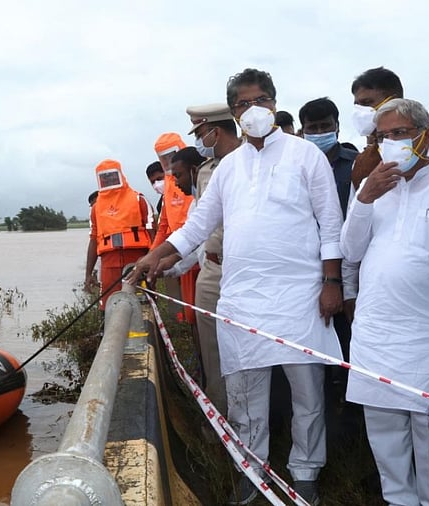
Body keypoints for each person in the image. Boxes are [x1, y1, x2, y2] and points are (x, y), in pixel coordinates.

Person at [129, 68, 343, 505]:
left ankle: (305, 474)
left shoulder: (306, 156)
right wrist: (155, 255)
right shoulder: (228, 170)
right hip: (242, 301)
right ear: (234, 112)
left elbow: (331, 225)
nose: (253, 109)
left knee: (308, 396)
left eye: (261, 99)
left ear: (274, 102)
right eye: (243, 103)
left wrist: (331, 283)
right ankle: (252, 471)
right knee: (245, 400)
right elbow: (195, 228)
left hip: (301, 299)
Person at [342, 98, 429, 506]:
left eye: (400, 133)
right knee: (384, 435)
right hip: (376, 330)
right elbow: (351, 251)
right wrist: (364, 197)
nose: (391, 143)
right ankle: (398, 500)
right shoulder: (374, 186)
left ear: (425, 135)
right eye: (383, 135)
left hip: (426, 333)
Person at [180, 102, 243, 415]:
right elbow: (197, 225)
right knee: (212, 349)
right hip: (211, 268)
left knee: (249, 349)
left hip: (244, 270)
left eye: (201, 133)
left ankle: (255, 420)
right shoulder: (205, 171)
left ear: (215, 132)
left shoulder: (248, 163)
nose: (198, 141)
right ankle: (219, 414)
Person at [299, 97, 360, 367]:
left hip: (351, 263)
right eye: (313, 128)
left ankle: (349, 402)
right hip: (309, 266)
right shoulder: (296, 167)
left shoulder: (356, 165)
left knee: (349, 336)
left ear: (337, 127)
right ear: (302, 131)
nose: (320, 133)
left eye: (326, 126)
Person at [349, 67, 429, 190]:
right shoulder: (361, 161)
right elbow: (355, 206)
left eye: (366, 102)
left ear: (393, 100)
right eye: (357, 105)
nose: (360, 111)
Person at [84, 159, 153, 308]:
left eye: (112, 176)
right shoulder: (96, 208)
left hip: (138, 262)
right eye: (105, 177)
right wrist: (88, 274)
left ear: (120, 175)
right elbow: (93, 240)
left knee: (143, 306)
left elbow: (153, 233)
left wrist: (153, 262)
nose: (109, 180)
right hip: (109, 265)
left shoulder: (139, 199)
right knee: (109, 306)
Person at [151, 132, 199, 325]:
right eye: (163, 158)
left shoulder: (192, 180)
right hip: (178, 253)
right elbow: (163, 226)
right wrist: (152, 255)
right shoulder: (170, 186)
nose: (168, 161)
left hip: (197, 253)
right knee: (189, 312)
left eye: (171, 155)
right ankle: (194, 348)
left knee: (201, 311)